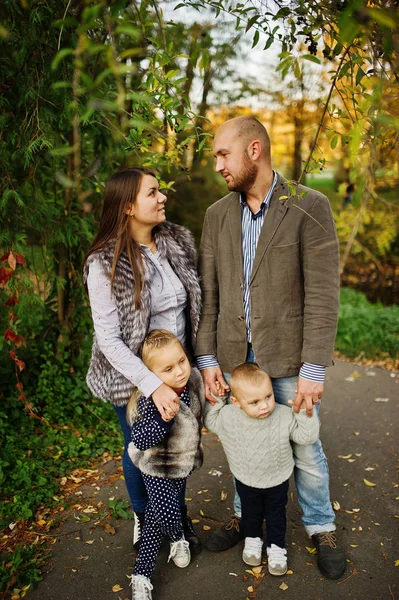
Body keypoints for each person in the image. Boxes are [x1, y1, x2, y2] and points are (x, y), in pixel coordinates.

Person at [195, 116, 346, 580]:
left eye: (223, 153)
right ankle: (248, 519)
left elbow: (322, 293)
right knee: (243, 445)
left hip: (287, 360)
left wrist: (313, 369)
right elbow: (209, 294)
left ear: (254, 150)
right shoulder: (217, 215)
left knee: (305, 448)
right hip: (235, 362)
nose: (217, 163)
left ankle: (322, 527)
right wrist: (206, 359)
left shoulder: (308, 205)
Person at [82, 167, 202, 561]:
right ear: (129, 206)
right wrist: (154, 385)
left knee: (179, 445)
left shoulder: (178, 242)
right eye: (153, 192)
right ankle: (143, 515)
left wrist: (192, 371)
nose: (163, 197)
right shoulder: (104, 263)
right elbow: (109, 341)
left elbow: (195, 309)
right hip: (131, 378)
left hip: (180, 372)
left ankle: (177, 520)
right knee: (141, 447)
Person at [204, 362, 319, 575]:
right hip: (246, 479)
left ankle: (277, 547)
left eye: (268, 397)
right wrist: (218, 399)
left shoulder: (284, 415)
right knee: (250, 513)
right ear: (236, 402)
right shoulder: (228, 416)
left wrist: (304, 414)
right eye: (254, 402)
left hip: (277, 479)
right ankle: (253, 539)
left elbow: (307, 437)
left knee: (276, 515)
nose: (264, 406)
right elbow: (210, 420)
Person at [126, 329, 204, 599]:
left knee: (166, 510)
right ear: (152, 375)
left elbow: (201, 413)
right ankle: (141, 574)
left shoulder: (192, 383)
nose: (179, 372)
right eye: (168, 369)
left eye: (181, 361)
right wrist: (163, 420)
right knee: (158, 514)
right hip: (156, 465)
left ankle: (177, 537)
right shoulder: (149, 399)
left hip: (182, 462)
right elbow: (139, 438)